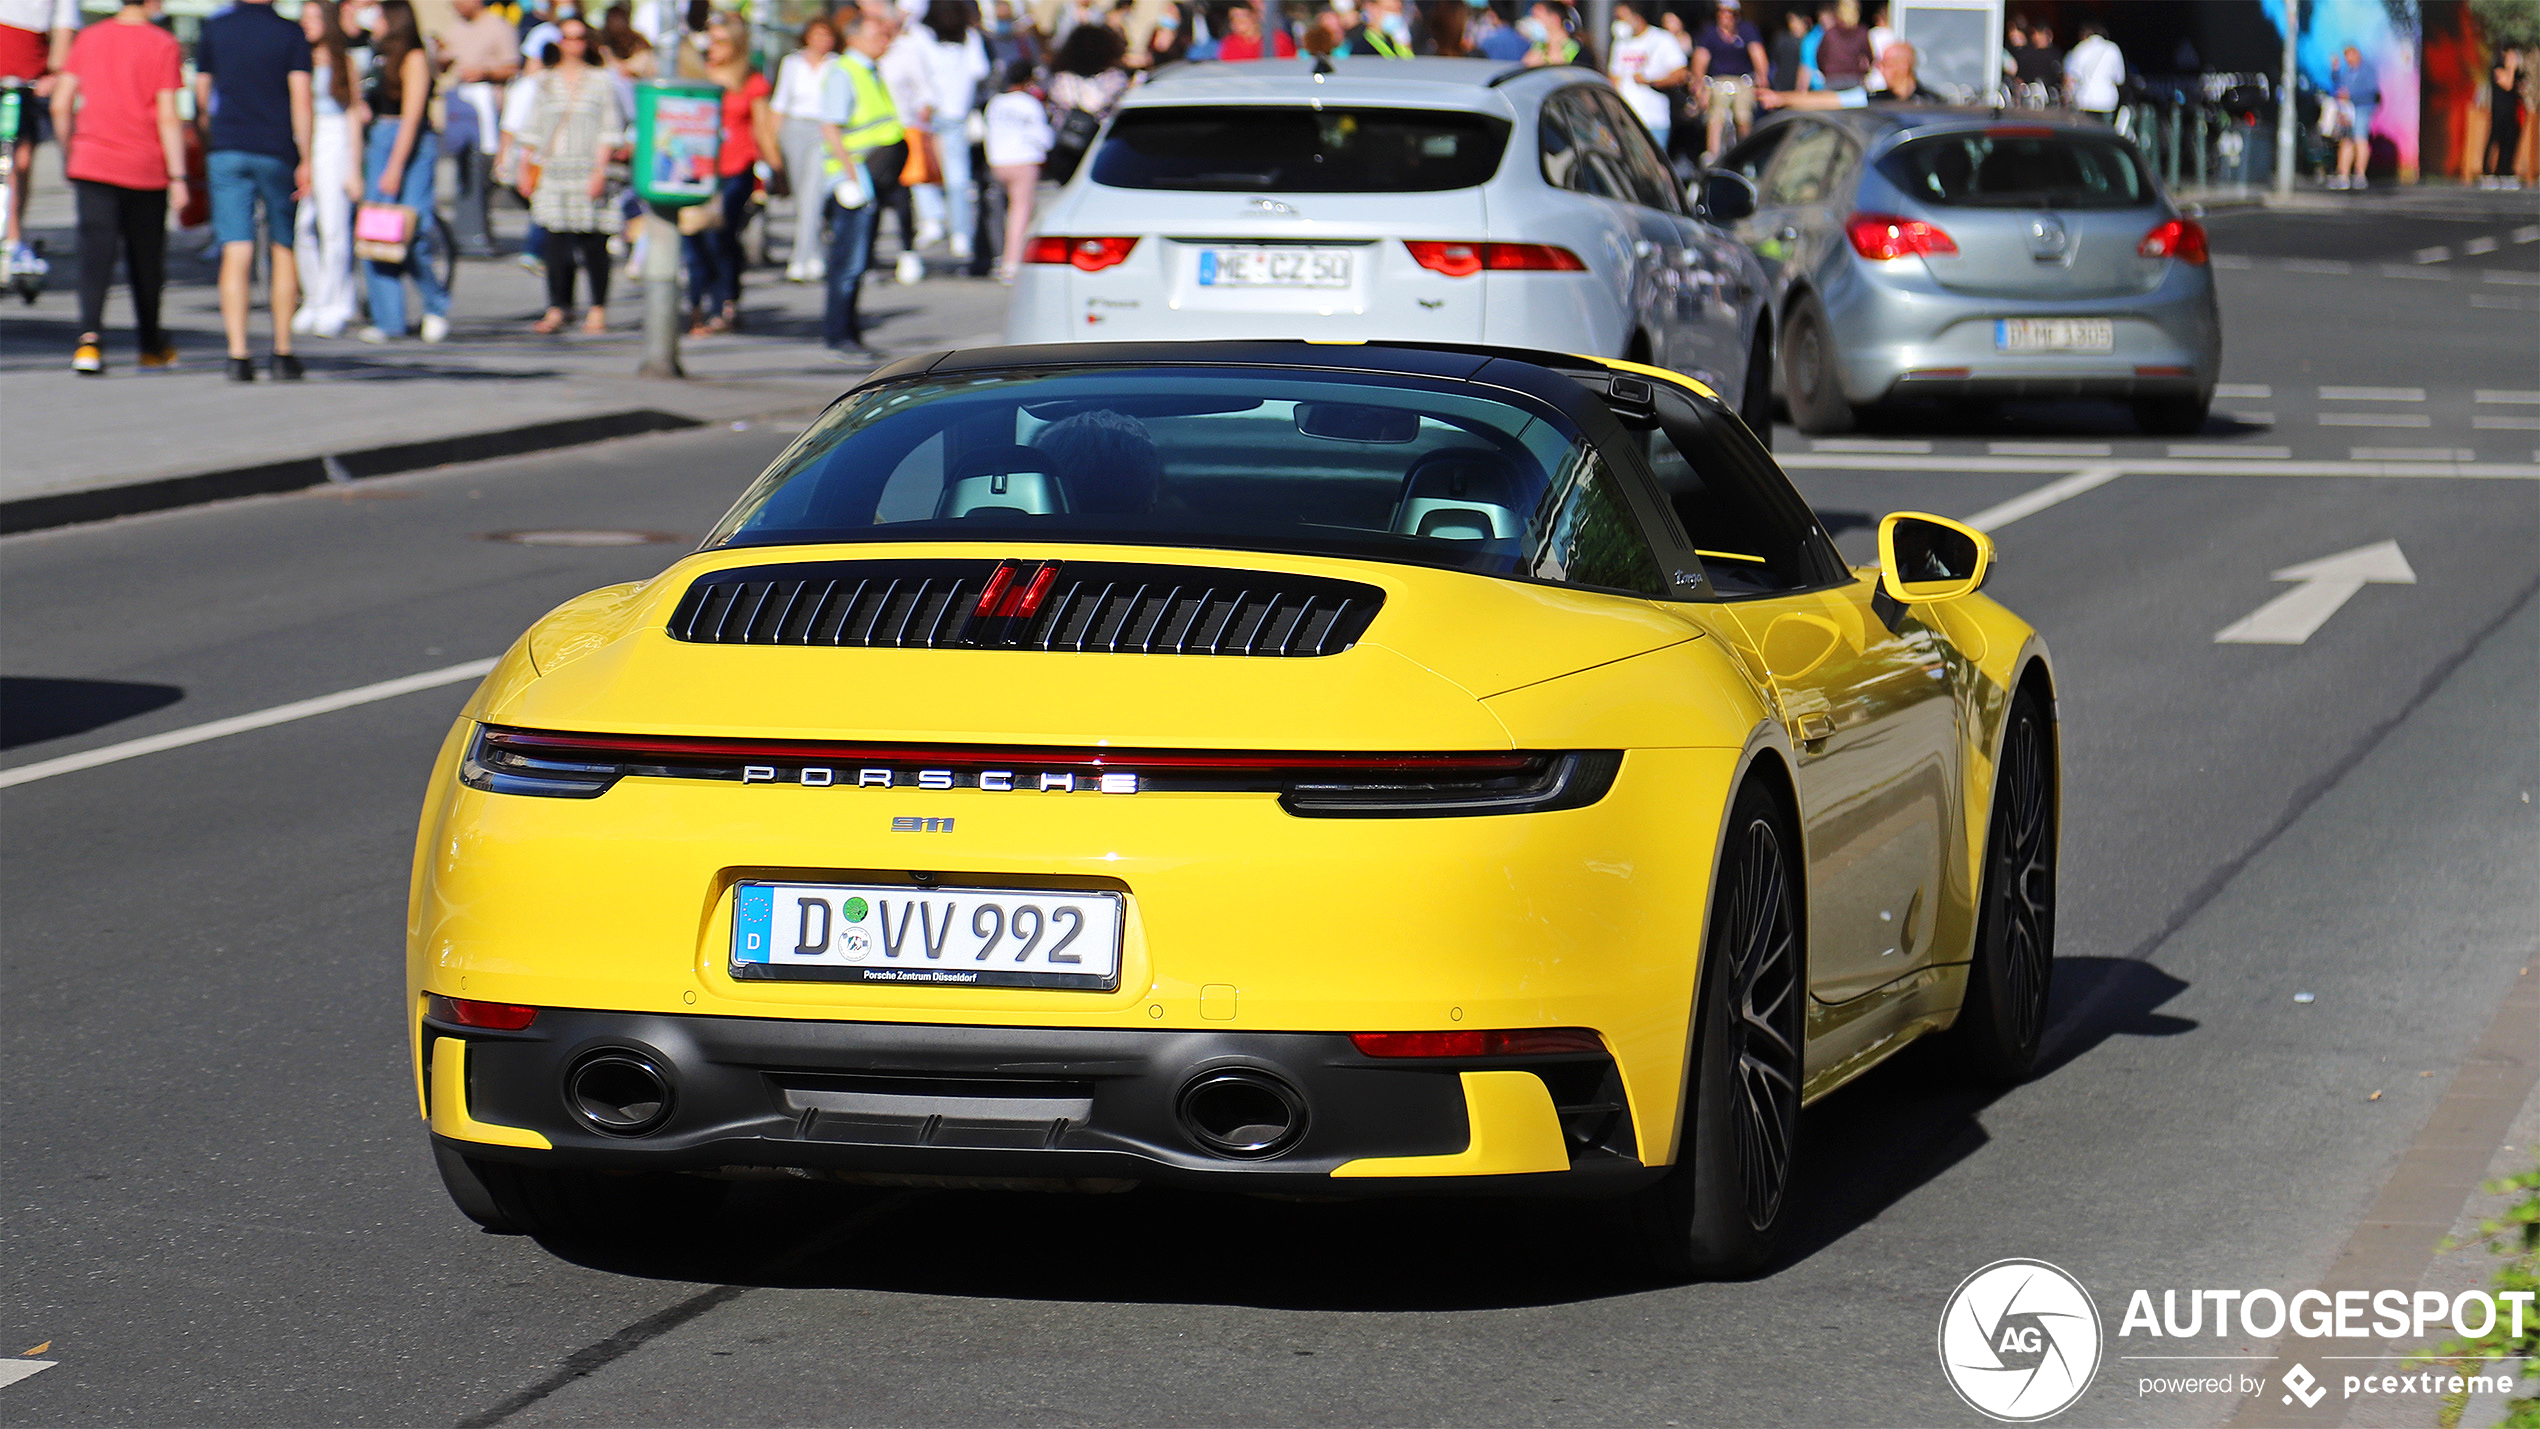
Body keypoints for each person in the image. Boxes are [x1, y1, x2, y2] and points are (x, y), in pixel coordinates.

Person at [48, 0, 183, 374]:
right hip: (145, 164)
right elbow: (169, 115)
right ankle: (150, 344)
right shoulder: (163, 43)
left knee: (95, 256)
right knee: (146, 259)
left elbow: (61, 104)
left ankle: (89, 342)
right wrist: (179, 175)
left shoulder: (89, 38)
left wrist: (69, 151)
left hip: (92, 161)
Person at [196, 0, 314, 381]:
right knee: (282, 246)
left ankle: (238, 353)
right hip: (275, 146)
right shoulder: (290, 33)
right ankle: (282, 350)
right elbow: (301, 97)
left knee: (237, 247)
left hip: (227, 144)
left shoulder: (215, 29)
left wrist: (207, 135)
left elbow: (202, 92)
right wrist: (306, 156)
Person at [355, 0, 449, 343]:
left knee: (414, 230)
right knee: (375, 232)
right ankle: (388, 318)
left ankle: (436, 305)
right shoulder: (378, 56)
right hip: (380, 136)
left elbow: (412, 116)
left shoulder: (414, 58)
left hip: (408, 141)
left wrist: (395, 165)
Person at [820, 5, 908, 358]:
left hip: (871, 178)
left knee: (860, 260)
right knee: (849, 261)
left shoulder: (868, 70)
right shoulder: (846, 71)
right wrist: (851, 173)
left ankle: (849, 329)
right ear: (854, 38)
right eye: (877, 35)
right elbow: (830, 125)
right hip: (856, 180)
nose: (884, 41)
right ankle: (839, 333)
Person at [525, 12, 616, 332]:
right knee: (555, 244)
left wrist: (600, 171)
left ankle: (597, 307)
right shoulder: (545, 81)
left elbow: (610, 129)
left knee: (593, 244)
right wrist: (526, 166)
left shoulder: (601, 80)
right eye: (567, 37)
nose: (573, 44)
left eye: (579, 37)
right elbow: (533, 129)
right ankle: (558, 306)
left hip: (587, 167)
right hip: (554, 170)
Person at [681, 13, 769, 335]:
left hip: (736, 168)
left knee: (720, 235)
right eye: (710, 41)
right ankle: (695, 304)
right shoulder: (697, 73)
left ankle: (724, 302)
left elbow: (763, 128)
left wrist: (776, 167)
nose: (713, 49)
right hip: (698, 169)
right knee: (693, 238)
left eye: (721, 42)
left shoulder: (750, 80)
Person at [293, 0, 359, 337]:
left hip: (335, 141)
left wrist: (355, 169)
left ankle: (338, 301)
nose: (306, 23)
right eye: (303, 17)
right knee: (304, 225)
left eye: (313, 17)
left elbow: (353, 115)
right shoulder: (297, 57)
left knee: (333, 226)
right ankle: (315, 296)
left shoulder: (342, 61)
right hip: (307, 140)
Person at [0, 0, 73, 279]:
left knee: (21, 161)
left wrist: (53, 74)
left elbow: (64, 33)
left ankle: (14, 240)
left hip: (25, 83)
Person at [913, 1, 989, 266]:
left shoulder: (920, 35)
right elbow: (981, 71)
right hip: (957, 113)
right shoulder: (969, 36)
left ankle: (933, 220)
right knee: (958, 176)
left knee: (924, 168)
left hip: (928, 113)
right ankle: (960, 233)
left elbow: (917, 72)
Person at [439, 0, 517, 255]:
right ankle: (467, 231)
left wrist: (484, 71)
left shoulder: (498, 26)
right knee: (464, 171)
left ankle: (481, 230)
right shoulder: (456, 26)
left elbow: (512, 66)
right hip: (460, 109)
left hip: (487, 109)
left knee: (484, 171)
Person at [771, 16, 835, 281]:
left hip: (824, 129)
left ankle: (800, 257)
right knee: (802, 195)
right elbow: (780, 103)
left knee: (813, 194)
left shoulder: (837, 64)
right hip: (795, 129)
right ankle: (815, 253)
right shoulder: (792, 63)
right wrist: (772, 146)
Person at [981, 57, 1045, 282]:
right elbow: (1043, 138)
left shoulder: (996, 103)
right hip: (1023, 160)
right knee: (1020, 212)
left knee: (997, 213)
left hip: (998, 161)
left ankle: (998, 256)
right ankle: (1012, 263)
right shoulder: (1029, 104)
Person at [1690, 0, 1766, 164]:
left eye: (1730, 13)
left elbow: (1758, 55)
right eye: (1722, 12)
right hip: (1718, 81)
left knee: (1743, 114)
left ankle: (1747, 153)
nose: (1726, 16)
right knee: (1715, 114)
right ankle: (1712, 154)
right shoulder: (1710, 32)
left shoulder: (1747, 30)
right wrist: (1699, 85)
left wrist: (1762, 79)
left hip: (1742, 80)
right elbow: (1700, 59)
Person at [1758, 39, 1934, 109]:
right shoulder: (1876, 99)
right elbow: (1829, 100)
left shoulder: (1931, 104)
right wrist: (1781, 98)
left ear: (1903, 66)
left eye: (1884, 63)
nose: (1878, 68)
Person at [1607, 2, 1685, 152]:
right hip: (1626, 121)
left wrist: (1652, 81)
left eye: (1623, 18)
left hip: (1654, 120)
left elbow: (1680, 74)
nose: (1620, 23)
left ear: (1637, 17)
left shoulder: (1662, 40)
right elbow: (1614, 77)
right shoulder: (1620, 44)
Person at [2329, 44, 2375, 189]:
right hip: (2348, 110)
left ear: (2357, 54)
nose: (2348, 59)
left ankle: (2360, 175)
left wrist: (2351, 95)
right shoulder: (2347, 73)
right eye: (2346, 56)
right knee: (2346, 141)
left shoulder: (2367, 71)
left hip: (2362, 108)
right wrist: (2335, 70)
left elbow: (2371, 91)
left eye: (2350, 55)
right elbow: (2339, 85)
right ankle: (2343, 176)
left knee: (2360, 140)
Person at [2063, 20, 2123, 124]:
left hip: (2085, 101)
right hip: (2107, 101)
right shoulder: (2113, 49)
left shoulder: (2080, 49)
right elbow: (2119, 79)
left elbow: (2071, 78)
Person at [2486, 47, 2526, 189]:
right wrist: (2510, 68)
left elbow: (2521, 88)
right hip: (2498, 113)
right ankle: (2488, 173)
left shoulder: (2517, 73)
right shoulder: (2498, 69)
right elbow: (2508, 84)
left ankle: (2506, 172)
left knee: (2509, 144)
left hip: (2511, 114)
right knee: (2494, 141)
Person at [1813, 0, 1868, 89]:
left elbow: (1820, 57)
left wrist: (1827, 72)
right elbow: (1869, 57)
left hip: (1833, 79)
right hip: (1854, 79)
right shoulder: (1862, 33)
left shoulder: (1830, 33)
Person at [1212, 1, 1292, 61]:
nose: (1238, 22)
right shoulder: (1229, 44)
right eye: (1234, 18)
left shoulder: (1279, 40)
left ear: (1254, 16)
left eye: (1243, 17)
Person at [1766, 7, 1809, 93]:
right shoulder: (1781, 39)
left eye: (1796, 21)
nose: (1793, 25)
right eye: (1791, 21)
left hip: (1804, 87)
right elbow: (1773, 61)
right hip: (1783, 85)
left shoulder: (1812, 40)